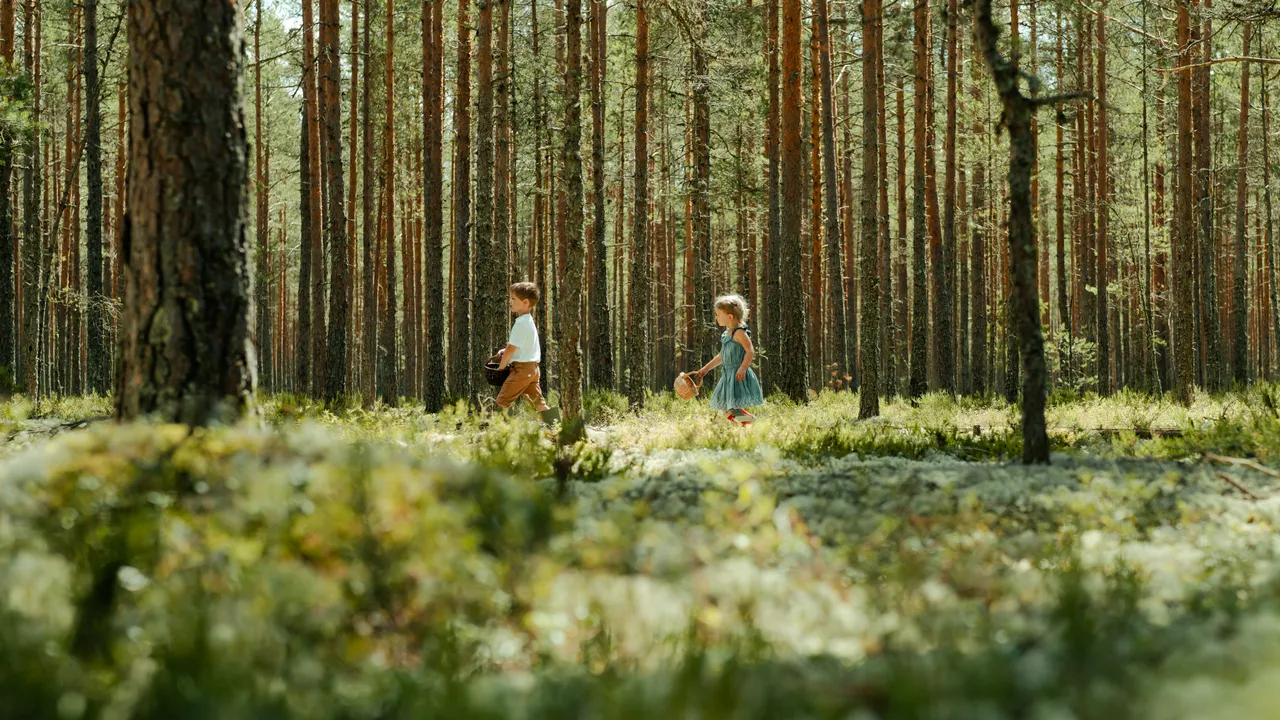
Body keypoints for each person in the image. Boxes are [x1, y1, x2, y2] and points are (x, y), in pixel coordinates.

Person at [694, 294, 765, 424]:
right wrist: (706, 369)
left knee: (732, 408)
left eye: (718, 314)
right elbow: (721, 356)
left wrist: (743, 368)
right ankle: (747, 425)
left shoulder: (739, 333)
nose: (716, 317)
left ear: (730, 316)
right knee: (727, 410)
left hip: (737, 375)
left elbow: (750, 350)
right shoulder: (727, 333)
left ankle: (754, 424)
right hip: (728, 375)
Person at [495, 282, 560, 424]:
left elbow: (511, 348)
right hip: (532, 369)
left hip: (522, 370)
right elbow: (519, 347)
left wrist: (501, 367)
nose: (510, 302)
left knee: (503, 401)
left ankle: (501, 435)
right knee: (539, 403)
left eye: (513, 299)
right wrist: (504, 351)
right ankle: (557, 429)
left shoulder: (521, 323)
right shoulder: (527, 321)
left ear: (525, 302)